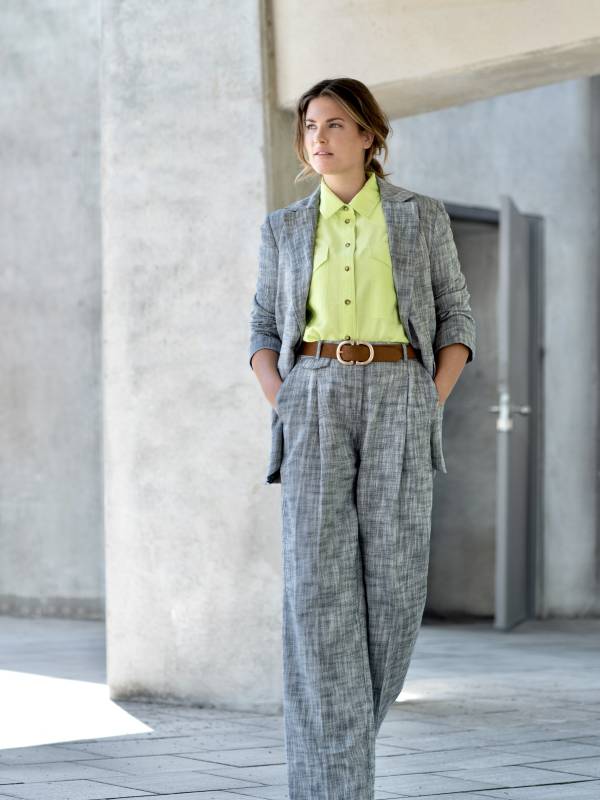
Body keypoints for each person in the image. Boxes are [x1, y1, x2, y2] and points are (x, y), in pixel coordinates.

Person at [248, 77, 476, 800]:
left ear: (369, 135)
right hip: (313, 394)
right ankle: (333, 787)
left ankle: (333, 765)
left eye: (336, 124)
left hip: (398, 393)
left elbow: (456, 318)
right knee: (316, 595)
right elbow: (262, 327)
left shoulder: (418, 215)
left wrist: (428, 398)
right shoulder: (283, 228)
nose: (319, 138)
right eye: (310, 125)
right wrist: (285, 401)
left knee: (396, 594)